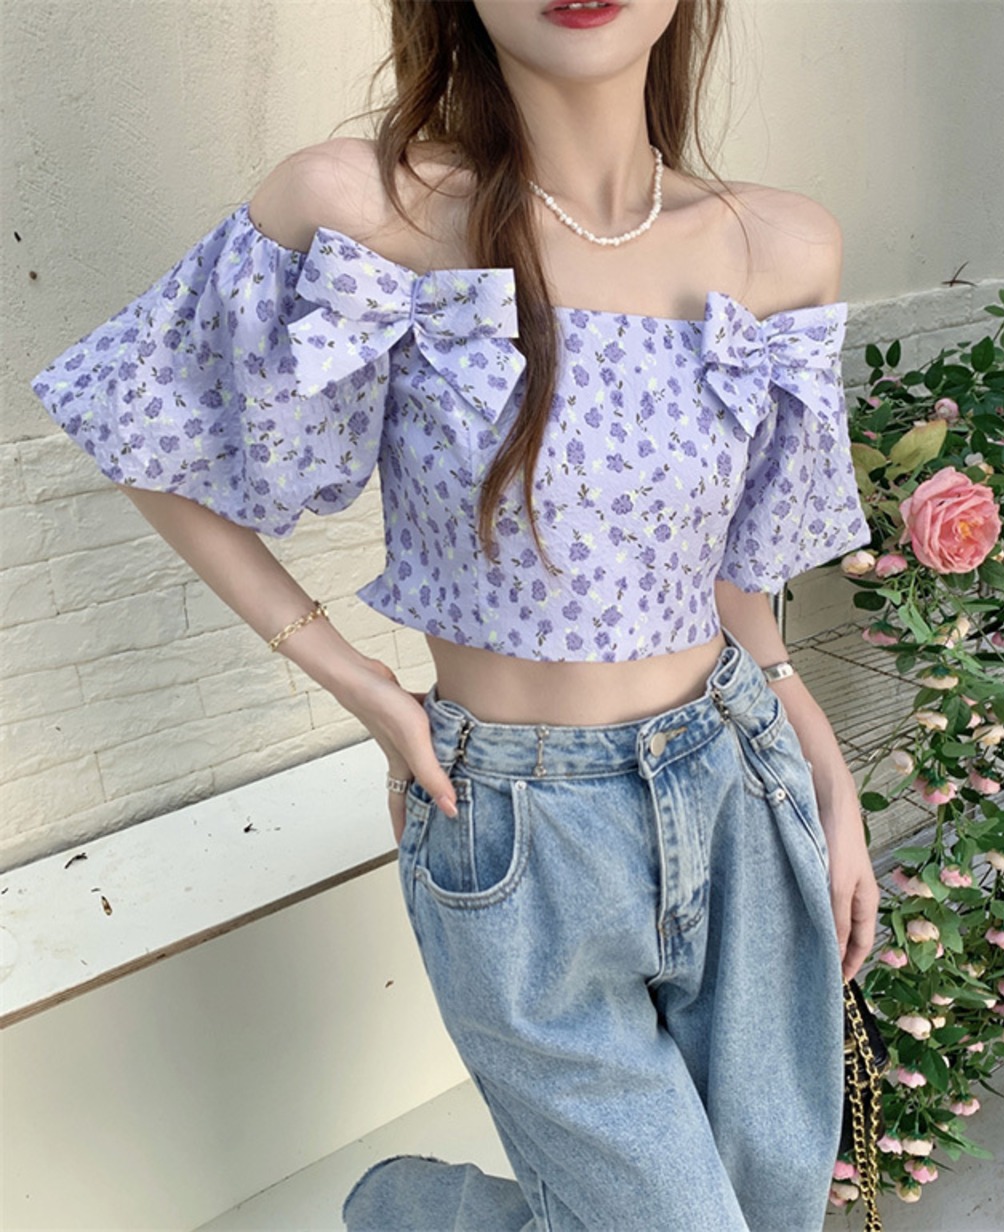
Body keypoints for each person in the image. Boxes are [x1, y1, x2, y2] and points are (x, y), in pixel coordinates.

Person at [29, 0, 880, 1227]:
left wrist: (826, 779)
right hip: (521, 831)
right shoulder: (366, 213)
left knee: (772, 1201)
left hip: (741, 786)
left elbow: (732, 572)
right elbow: (144, 427)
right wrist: (361, 684)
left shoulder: (783, 245)